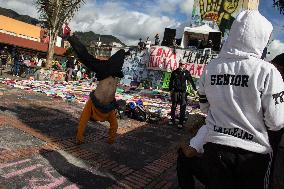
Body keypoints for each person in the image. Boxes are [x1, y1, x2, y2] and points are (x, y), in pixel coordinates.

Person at [196, 10, 284, 189]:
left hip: (215, 147)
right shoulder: (267, 71)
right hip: (253, 154)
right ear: (262, 37)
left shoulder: (211, 66)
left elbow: (204, 105)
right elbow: (276, 121)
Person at [62, 23, 126, 144]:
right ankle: (70, 36)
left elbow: (83, 122)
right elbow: (113, 127)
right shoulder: (106, 112)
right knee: (121, 52)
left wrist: (79, 139)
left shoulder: (91, 105)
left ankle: (70, 36)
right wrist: (110, 141)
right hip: (109, 86)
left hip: (104, 71)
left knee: (86, 57)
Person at [169, 61, 197, 128]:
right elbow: (170, 81)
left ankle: (181, 122)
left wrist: (195, 89)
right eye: (181, 64)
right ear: (179, 64)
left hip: (183, 92)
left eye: (183, 64)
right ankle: (172, 119)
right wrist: (170, 90)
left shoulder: (186, 72)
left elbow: (191, 81)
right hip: (175, 91)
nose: (182, 65)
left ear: (185, 65)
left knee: (183, 106)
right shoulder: (174, 72)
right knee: (174, 106)